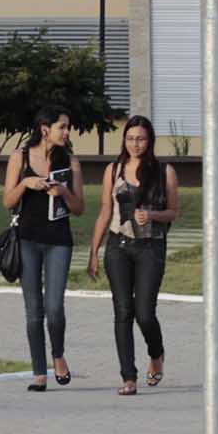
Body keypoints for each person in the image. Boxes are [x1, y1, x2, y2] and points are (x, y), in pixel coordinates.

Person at [87, 114, 177, 396]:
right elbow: (105, 212)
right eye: (130, 138)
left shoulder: (165, 172)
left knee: (144, 313)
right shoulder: (113, 170)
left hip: (151, 247)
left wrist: (150, 214)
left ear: (149, 141)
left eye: (140, 138)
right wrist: (93, 251)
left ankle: (156, 353)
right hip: (118, 247)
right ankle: (128, 377)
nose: (135, 144)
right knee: (122, 311)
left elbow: (174, 211)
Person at [2, 106, 83, 391]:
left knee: (54, 307)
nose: (67, 132)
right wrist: (26, 182)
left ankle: (58, 354)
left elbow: (79, 208)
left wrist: (63, 191)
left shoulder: (70, 161)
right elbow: (8, 202)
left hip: (59, 240)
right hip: (27, 239)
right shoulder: (19, 157)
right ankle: (39, 372)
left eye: (68, 127)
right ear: (45, 128)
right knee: (33, 309)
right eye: (63, 126)